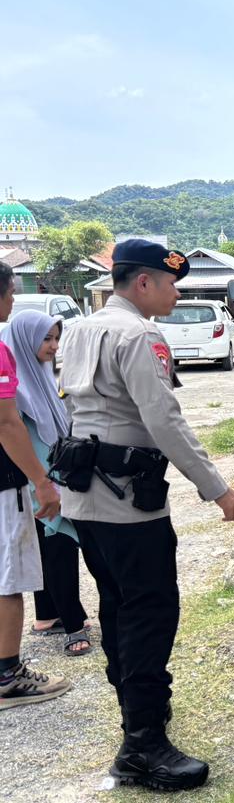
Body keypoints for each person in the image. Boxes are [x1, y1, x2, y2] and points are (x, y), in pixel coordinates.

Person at [58, 239, 234, 791]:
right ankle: (142, 747)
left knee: (117, 605)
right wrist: (217, 489)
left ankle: (138, 714)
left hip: (85, 493)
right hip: (126, 501)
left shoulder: (82, 328)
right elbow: (163, 420)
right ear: (143, 282)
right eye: (169, 284)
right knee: (149, 611)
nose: (176, 294)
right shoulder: (138, 334)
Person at [0, 261, 71, 711]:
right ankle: (8, 676)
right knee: (9, 579)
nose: (13, 299)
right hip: (4, 484)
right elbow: (7, 423)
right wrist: (41, 482)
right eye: (11, 291)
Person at [1, 312, 90, 656]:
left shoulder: (39, 377)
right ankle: (73, 625)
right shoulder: (17, 389)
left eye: (56, 338)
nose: (54, 346)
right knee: (59, 545)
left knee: (46, 545)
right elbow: (23, 438)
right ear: (26, 341)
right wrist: (43, 482)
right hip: (35, 481)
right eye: (46, 339)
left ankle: (47, 615)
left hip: (44, 477)